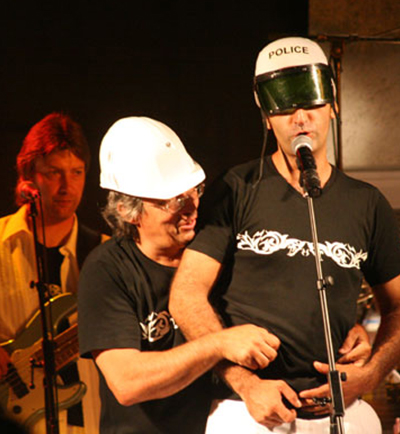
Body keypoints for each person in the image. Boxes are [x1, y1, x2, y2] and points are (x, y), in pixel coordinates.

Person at [169, 36, 400, 433]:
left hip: (345, 413)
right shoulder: (235, 189)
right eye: (286, 107)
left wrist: (371, 374)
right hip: (248, 413)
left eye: (311, 104)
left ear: (332, 104)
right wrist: (244, 383)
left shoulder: (367, 203)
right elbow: (186, 295)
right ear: (266, 115)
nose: (301, 119)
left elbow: (397, 307)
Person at [77, 116, 286, 434]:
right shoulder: (107, 269)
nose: (191, 207)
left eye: (195, 191)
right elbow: (127, 382)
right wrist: (217, 344)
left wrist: (349, 332)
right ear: (128, 211)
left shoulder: (215, 249)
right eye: (173, 200)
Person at [0, 112, 107, 433]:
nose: (66, 186)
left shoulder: (107, 254)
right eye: (53, 173)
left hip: (88, 421)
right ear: (28, 175)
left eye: (77, 172)